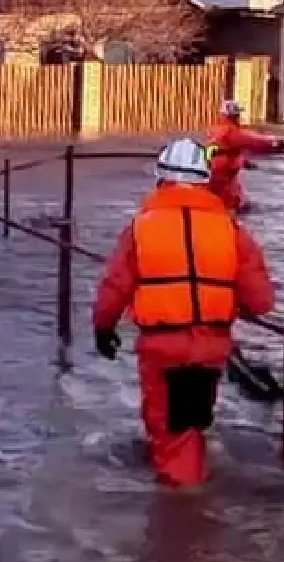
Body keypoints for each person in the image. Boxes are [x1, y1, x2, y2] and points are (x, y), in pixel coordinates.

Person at [92, 137, 276, 488]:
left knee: (169, 432)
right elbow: (260, 301)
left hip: (162, 347)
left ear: (160, 178)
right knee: (191, 423)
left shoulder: (140, 228)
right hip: (211, 347)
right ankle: (192, 495)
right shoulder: (232, 230)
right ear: (205, 179)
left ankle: (182, 520)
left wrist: (103, 328)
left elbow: (114, 286)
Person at [203, 99, 284, 212]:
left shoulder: (214, 131)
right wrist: (278, 143)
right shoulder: (232, 132)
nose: (239, 117)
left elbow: (222, 151)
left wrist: (244, 162)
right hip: (225, 182)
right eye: (237, 115)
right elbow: (256, 142)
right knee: (235, 205)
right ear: (233, 116)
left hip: (216, 176)